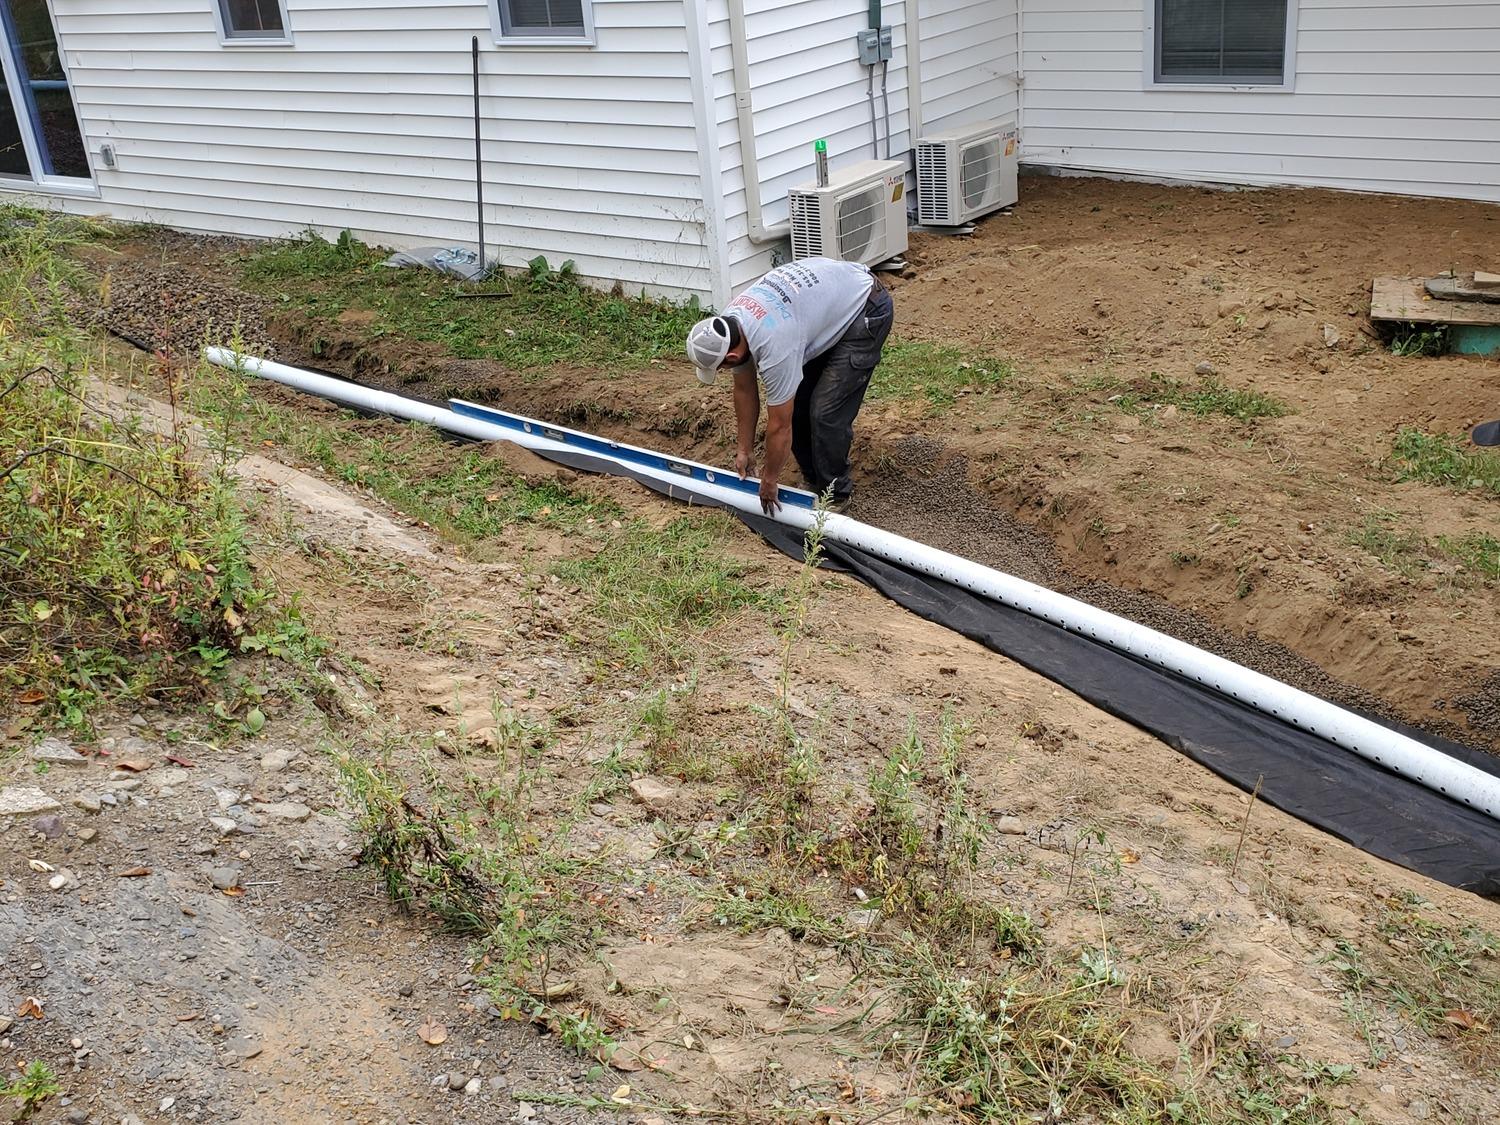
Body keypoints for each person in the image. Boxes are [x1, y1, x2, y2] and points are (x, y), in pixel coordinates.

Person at [685, 256, 894, 514]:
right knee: (799, 407)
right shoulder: (730, 326)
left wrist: (770, 479)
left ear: (731, 357)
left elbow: (780, 426)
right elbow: (744, 389)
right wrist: (744, 449)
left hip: (865, 308)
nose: (723, 371)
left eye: (720, 368)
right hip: (822, 307)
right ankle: (813, 480)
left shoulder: (775, 347)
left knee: (825, 413)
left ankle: (835, 494)